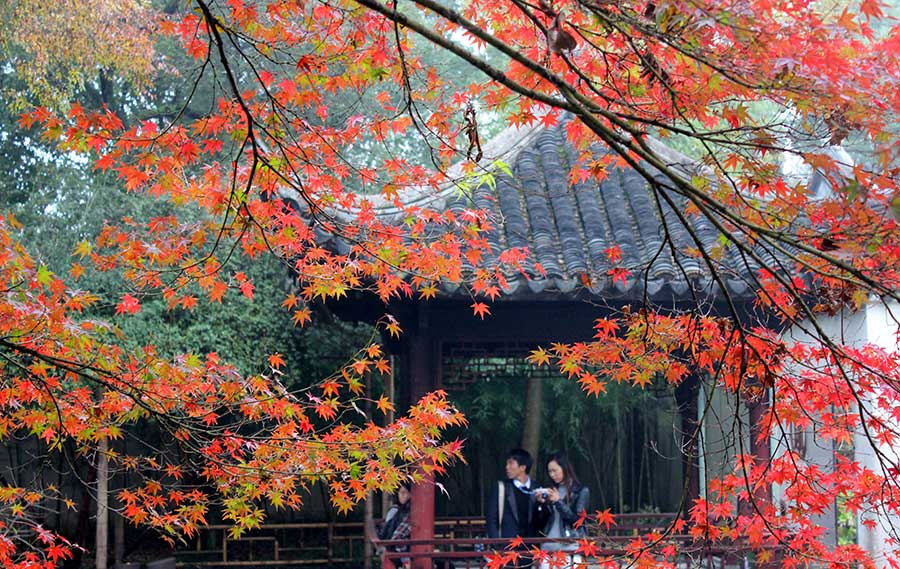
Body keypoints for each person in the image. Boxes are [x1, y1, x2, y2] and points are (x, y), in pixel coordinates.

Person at [534, 452, 590, 569]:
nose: (552, 475)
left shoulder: (581, 491)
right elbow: (542, 522)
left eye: (555, 470)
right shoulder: (551, 490)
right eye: (550, 471)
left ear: (565, 468)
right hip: (548, 546)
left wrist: (558, 501)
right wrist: (542, 504)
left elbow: (577, 521)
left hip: (570, 547)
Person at [486, 448, 539, 539]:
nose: (507, 467)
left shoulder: (537, 488)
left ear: (523, 467)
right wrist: (496, 544)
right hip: (507, 545)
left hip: (532, 545)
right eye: (507, 463)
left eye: (511, 463)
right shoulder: (501, 488)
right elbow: (491, 519)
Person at [378, 485, 411, 568]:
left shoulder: (410, 511)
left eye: (406, 493)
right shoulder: (396, 510)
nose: (404, 495)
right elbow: (396, 534)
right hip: (395, 547)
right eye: (401, 493)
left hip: (398, 547)